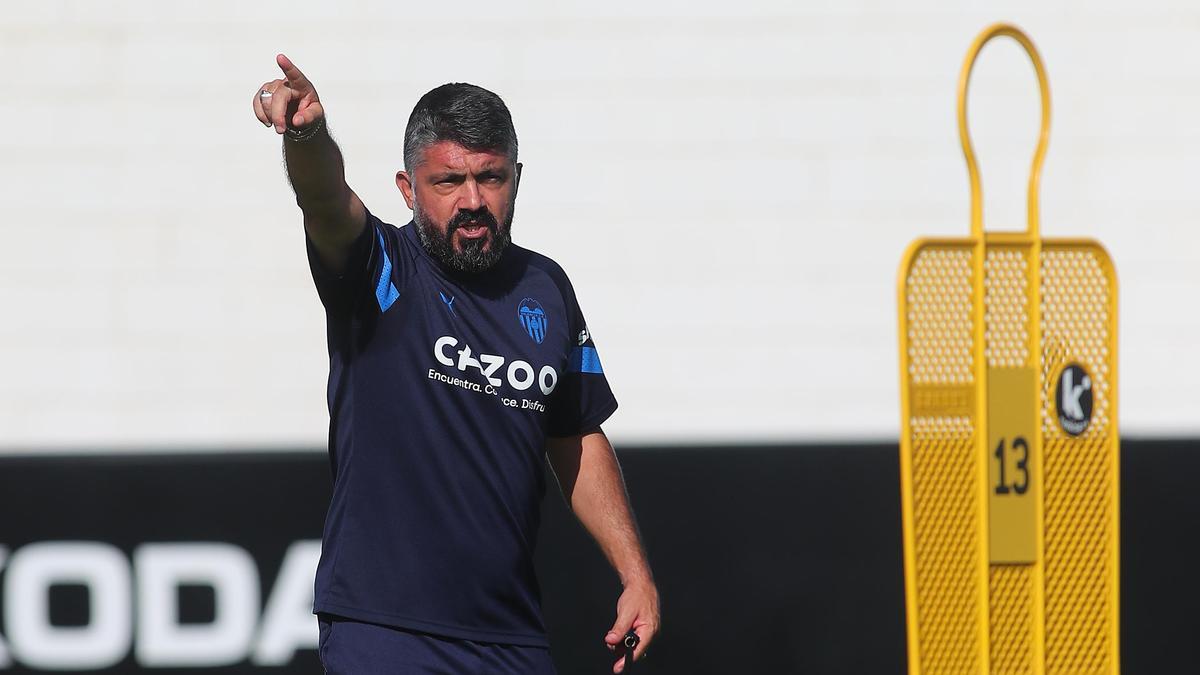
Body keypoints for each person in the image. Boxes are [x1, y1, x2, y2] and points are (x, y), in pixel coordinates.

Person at [251, 54, 659, 674]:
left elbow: (575, 433)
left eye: (490, 178)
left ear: (516, 178)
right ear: (407, 189)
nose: (472, 199)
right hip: (384, 629)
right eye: (448, 182)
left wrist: (635, 573)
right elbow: (325, 199)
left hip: (510, 639)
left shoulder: (546, 289)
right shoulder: (381, 270)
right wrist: (306, 135)